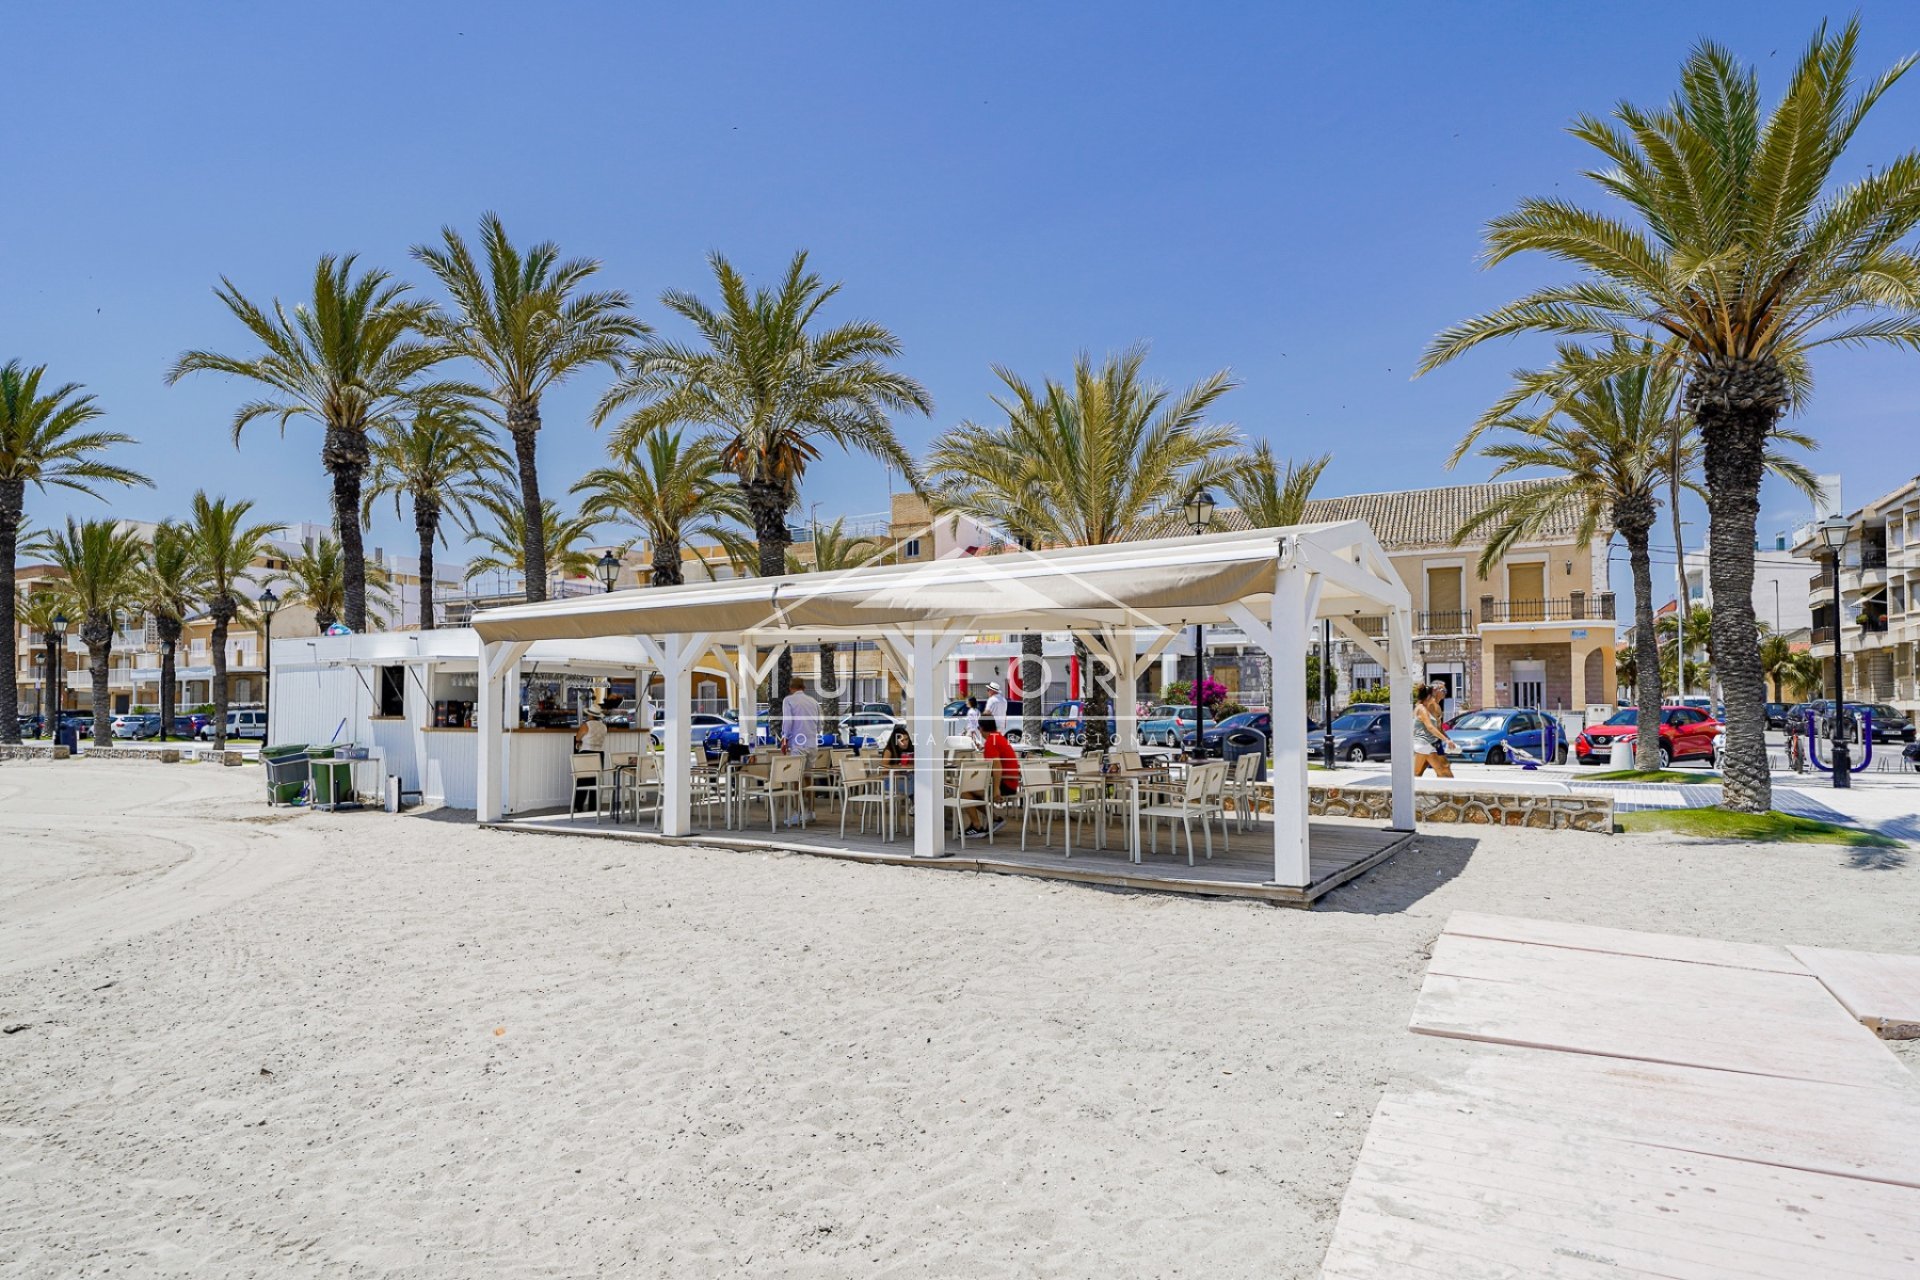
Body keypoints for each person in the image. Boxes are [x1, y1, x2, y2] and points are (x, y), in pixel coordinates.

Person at [1412, 682, 1456, 778]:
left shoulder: (1434, 707)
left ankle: (1409, 789)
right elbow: (1430, 727)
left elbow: (1439, 728)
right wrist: (1446, 740)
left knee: (1418, 772)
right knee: (1443, 769)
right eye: (1442, 690)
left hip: (1431, 743)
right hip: (1427, 743)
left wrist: (1448, 739)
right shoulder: (1425, 708)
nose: (1445, 692)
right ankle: (1449, 790)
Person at [572, 703, 608, 812]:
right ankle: (593, 806)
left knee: (582, 780)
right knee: (595, 781)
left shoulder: (586, 725)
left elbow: (578, 737)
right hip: (599, 754)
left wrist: (578, 742)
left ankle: (578, 805)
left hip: (586, 753)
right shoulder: (603, 726)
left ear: (590, 715)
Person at [780, 678, 821, 753]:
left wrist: (784, 739)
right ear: (804, 688)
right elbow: (819, 725)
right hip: (813, 745)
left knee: (797, 764)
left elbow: (788, 721)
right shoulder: (814, 701)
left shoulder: (788, 700)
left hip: (798, 745)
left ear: (790, 688)